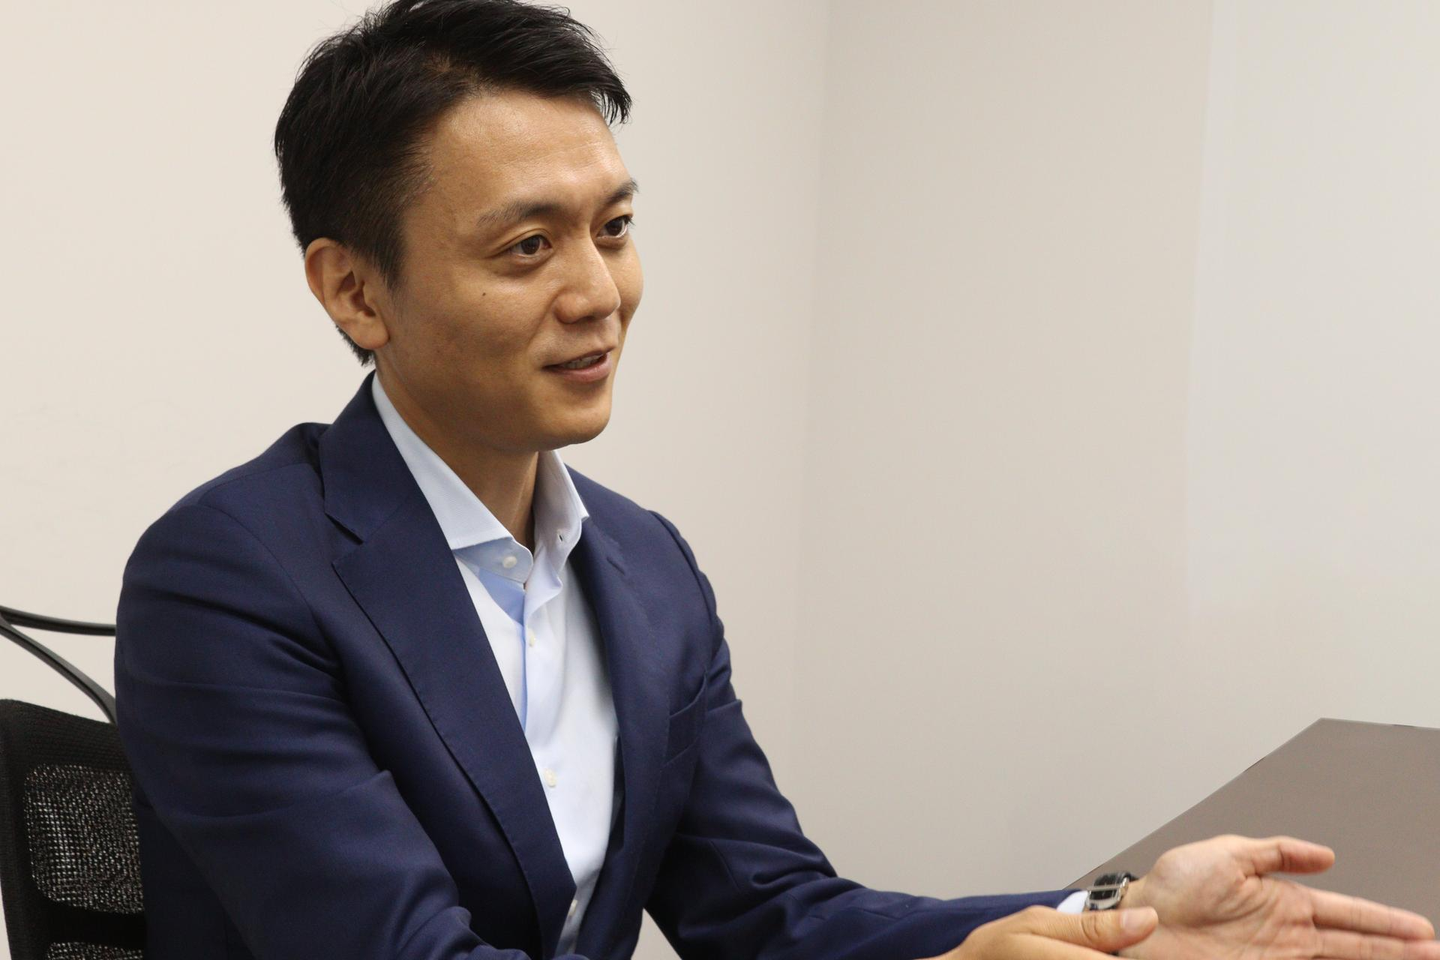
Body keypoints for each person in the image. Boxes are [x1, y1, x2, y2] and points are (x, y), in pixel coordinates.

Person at [113, 2, 1440, 959]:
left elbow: (771, 911)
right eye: (526, 248)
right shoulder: (228, 578)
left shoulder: (645, 568)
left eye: (614, 229)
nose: (599, 293)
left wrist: (1115, 914)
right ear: (356, 290)